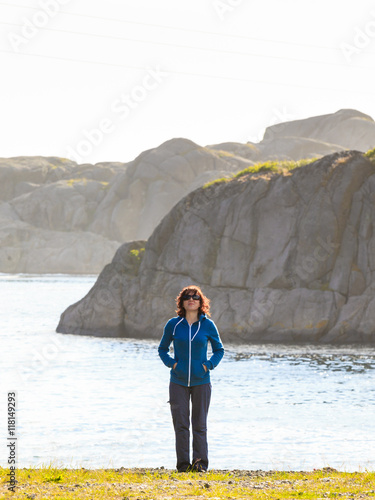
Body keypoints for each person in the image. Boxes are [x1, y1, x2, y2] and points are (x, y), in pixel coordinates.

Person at [158, 285, 224, 472]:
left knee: (200, 426)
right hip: (177, 382)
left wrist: (208, 365)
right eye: (187, 297)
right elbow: (162, 349)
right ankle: (183, 466)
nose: (191, 299)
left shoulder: (208, 325)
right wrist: (172, 364)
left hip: (202, 382)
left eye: (195, 297)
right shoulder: (173, 324)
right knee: (181, 425)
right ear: (182, 301)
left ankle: (200, 465)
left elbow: (219, 350)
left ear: (200, 301)